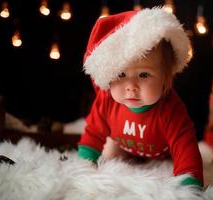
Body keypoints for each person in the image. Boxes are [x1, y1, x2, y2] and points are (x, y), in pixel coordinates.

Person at [78, 7, 203, 188]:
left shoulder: (170, 109)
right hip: (121, 142)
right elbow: (93, 132)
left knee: (167, 163)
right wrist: (85, 164)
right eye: (120, 74)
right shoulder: (107, 100)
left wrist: (190, 181)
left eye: (144, 75)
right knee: (110, 158)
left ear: (166, 77)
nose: (131, 86)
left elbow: (185, 145)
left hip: (161, 150)